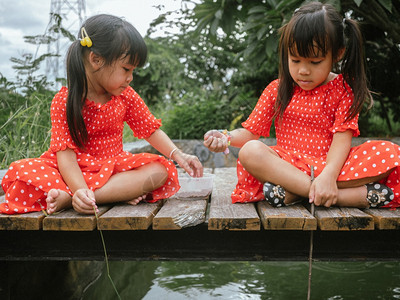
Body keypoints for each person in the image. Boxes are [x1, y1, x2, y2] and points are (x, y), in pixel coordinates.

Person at [204, 2, 400, 209]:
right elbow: (250, 133)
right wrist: (225, 137)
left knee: (390, 152)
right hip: (287, 167)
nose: (303, 71)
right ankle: (335, 195)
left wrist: (328, 175)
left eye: (315, 62)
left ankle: (295, 193)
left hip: (332, 167)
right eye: (295, 60)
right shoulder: (277, 89)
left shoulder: (343, 90)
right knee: (250, 151)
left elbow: (342, 140)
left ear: (338, 54)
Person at [1, 14, 203, 215]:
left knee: (160, 171)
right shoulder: (65, 101)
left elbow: (150, 129)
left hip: (112, 170)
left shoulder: (125, 96)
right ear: (96, 60)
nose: (130, 78)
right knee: (23, 173)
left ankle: (74, 199)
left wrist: (178, 154)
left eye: (133, 71)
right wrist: (79, 187)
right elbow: (65, 157)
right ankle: (102, 194)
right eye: (126, 69)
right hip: (71, 172)